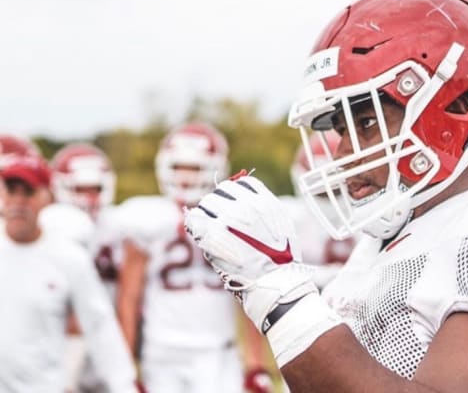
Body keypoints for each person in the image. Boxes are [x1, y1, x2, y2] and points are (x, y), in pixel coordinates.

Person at [185, 0, 468, 392]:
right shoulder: (389, 238)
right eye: (340, 130)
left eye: (365, 122)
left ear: (457, 105)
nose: (341, 154)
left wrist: (282, 295)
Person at [116, 122, 271, 393]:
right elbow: (128, 298)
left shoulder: (232, 218)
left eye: (195, 168)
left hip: (217, 350)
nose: (185, 177)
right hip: (162, 352)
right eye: (178, 168)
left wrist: (255, 363)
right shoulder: (145, 218)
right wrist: (126, 369)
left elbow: (248, 295)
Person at [0, 155, 138, 392]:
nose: (18, 202)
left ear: (47, 197)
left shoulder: (68, 256)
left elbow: (99, 325)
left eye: (28, 192)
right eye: (12, 191)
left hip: (44, 385)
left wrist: (124, 383)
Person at [50, 142, 127, 392]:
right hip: (63, 341)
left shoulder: (120, 224)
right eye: (79, 188)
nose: (88, 197)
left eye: (94, 188)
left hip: (109, 334)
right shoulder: (52, 224)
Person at [281, 131, 356, 289]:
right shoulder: (289, 218)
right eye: (321, 188)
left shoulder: (373, 215)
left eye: (335, 187)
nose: (329, 194)